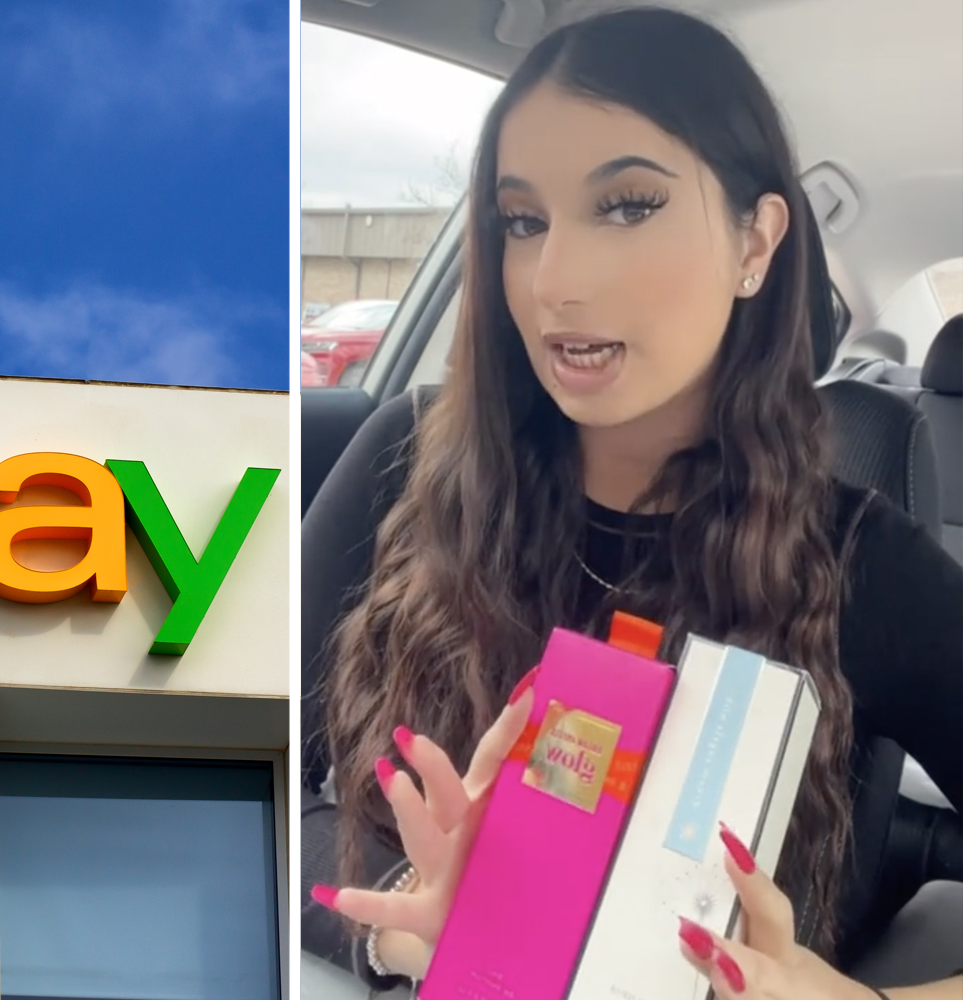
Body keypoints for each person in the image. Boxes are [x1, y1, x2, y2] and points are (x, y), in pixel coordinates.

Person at [297, 7, 963, 998]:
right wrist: (408, 925)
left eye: (626, 205)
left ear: (754, 241)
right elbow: (256, 777)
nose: (552, 280)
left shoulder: (855, 560)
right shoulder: (408, 462)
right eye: (521, 221)